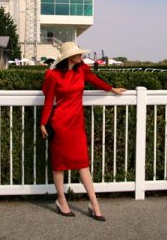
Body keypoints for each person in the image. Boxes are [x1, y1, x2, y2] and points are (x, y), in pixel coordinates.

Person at [40, 42, 126, 222]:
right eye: (78, 54)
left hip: (76, 125)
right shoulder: (53, 75)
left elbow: (95, 81)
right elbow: (48, 101)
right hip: (59, 124)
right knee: (59, 165)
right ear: (69, 57)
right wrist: (43, 123)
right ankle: (62, 201)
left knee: (83, 164)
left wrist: (112, 89)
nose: (81, 56)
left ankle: (95, 205)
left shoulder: (82, 70)